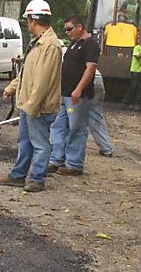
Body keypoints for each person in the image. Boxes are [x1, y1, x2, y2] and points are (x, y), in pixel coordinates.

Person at [0, 0, 62, 193]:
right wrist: (12, 87)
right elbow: (26, 72)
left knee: (40, 144)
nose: (27, 24)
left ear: (34, 20)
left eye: (28, 20)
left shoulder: (50, 45)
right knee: (24, 142)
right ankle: (17, 175)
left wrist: (32, 106)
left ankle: (37, 179)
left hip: (39, 107)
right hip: (28, 103)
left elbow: (42, 81)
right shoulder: (37, 43)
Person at [48, 15, 99, 176]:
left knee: (76, 128)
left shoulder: (90, 44)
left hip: (77, 96)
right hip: (64, 94)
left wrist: (79, 89)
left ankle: (74, 163)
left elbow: (90, 68)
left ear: (79, 27)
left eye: (69, 29)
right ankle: (57, 159)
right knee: (59, 127)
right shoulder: (73, 44)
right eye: (65, 30)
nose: (67, 32)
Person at [122, 33, 141, 113]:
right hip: (135, 71)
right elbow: (138, 57)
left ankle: (140, 105)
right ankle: (126, 102)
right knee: (133, 87)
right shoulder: (137, 48)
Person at [89, 69, 115, 157]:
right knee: (95, 115)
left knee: (69, 115)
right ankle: (106, 147)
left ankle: (61, 151)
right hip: (97, 77)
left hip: (83, 79)